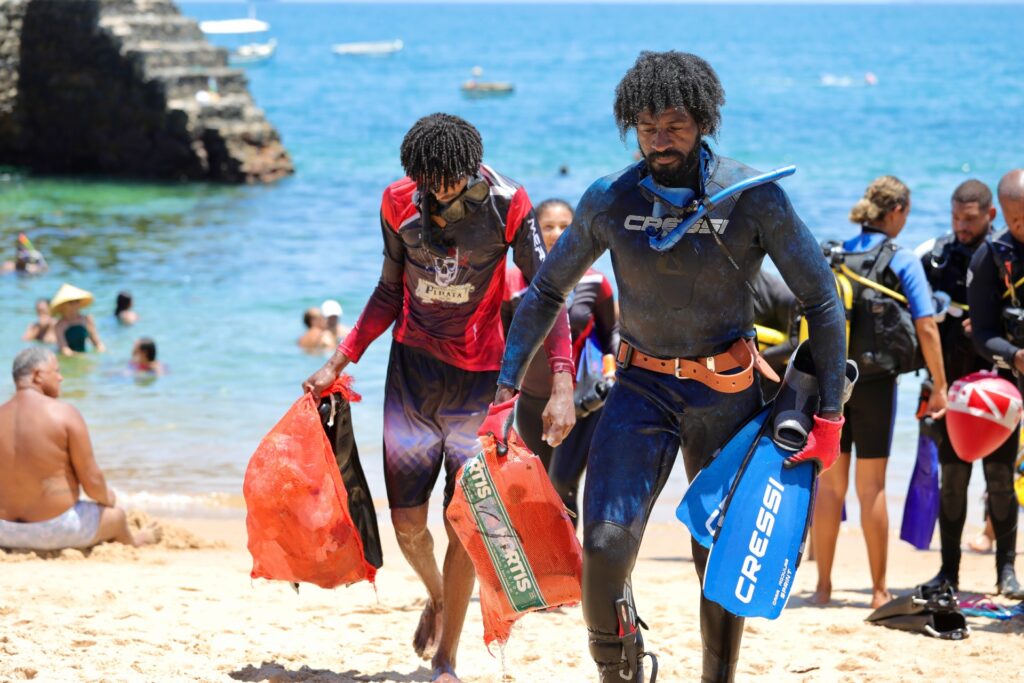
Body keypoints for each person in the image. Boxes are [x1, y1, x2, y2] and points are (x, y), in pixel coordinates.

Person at [496, 51, 847, 682]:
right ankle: (623, 671)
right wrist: (504, 390)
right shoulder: (609, 199)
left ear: (704, 121)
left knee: (715, 554)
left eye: (675, 126)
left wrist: (830, 418)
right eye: (647, 127)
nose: (660, 141)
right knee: (602, 549)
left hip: (730, 394)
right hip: (640, 388)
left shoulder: (755, 199)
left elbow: (823, 300)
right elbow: (547, 292)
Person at [301, 113, 574, 683]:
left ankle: (448, 658)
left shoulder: (509, 204)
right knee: (406, 525)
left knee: (462, 522)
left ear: (469, 169)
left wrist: (562, 381)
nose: (438, 194)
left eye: (448, 183)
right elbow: (386, 291)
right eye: (429, 184)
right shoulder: (399, 201)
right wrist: (337, 361)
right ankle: (438, 596)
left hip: (479, 382)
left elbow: (547, 296)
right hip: (411, 378)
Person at [812, 176, 947, 609]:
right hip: (875, 385)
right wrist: (940, 385)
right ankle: (878, 591)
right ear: (897, 212)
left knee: (831, 487)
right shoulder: (901, 258)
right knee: (871, 488)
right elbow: (926, 323)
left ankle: (823, 588)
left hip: (832, 382)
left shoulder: (836, 253)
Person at [916, 179, 1021, 597]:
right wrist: (931, 383)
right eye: (956, 217)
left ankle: (1006, 573)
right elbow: (915, 324)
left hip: (1000, 386)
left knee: (999, 478)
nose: (961, 225)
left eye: (970, 219)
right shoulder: (936, 259)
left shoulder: (1003, 257)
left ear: (990, 215)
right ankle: (949, 572)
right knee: (953, 480)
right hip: (951, 388)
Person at [502, 198, 618, 517]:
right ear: (534, 233)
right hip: (531, 402)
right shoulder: (512, 283)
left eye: (566, 226)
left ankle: (571, 567)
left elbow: (613, 337)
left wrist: (610, 378)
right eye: (548, 226)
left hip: (582, 403)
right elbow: (501, 343)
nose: (556, 233)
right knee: (539, 487)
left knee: (564, 484)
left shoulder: (595, 281)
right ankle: (551, 563)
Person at [0, 348, 161, 551]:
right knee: (117, 516)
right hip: (55, 530)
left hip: (4, 532)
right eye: (56, 371)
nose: (61, 378)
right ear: (37, 375)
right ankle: (134, 542)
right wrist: (108, 498)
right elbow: (92, 481)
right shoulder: (64, 414)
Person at [966, 169, 1024, 596]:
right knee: (1003, 478)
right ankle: (1007, 571)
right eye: (1019, 221)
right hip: (1012, 384)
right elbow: (983, 332)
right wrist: (1015, 355)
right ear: (1003, 214)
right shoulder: (991, 255)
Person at [51, 284, 105, 356]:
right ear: (63, 305)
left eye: (77, 301)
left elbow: (97, 342)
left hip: (83, 355)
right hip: (69, 359)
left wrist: (102, 352)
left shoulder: (87, 319)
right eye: (71, 302)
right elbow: (64, 350)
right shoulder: (59, 325)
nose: (75, 304)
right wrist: (82, 357)